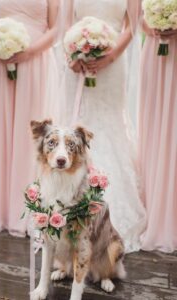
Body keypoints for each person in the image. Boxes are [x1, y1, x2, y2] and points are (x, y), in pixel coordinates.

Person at [61, 0, 146, 253]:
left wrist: (111, 55)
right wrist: (71, 56)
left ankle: (109, 211)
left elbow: (133, 24)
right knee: (78, 126)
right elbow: (65, 24)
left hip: (113, 63)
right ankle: (70, 206)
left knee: (108, 125)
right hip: (77, 65)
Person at [0, 0, 60, 235]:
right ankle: (1, 210)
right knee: (0, 131)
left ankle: (30, 209)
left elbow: (56, 28)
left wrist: (30, 51)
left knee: (32, 135)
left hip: (35, 61)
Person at [139, 21, 177, 252]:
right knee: (154, 127)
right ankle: (155, 209)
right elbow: (138, 18)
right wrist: (152, 27)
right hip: (154, 52)